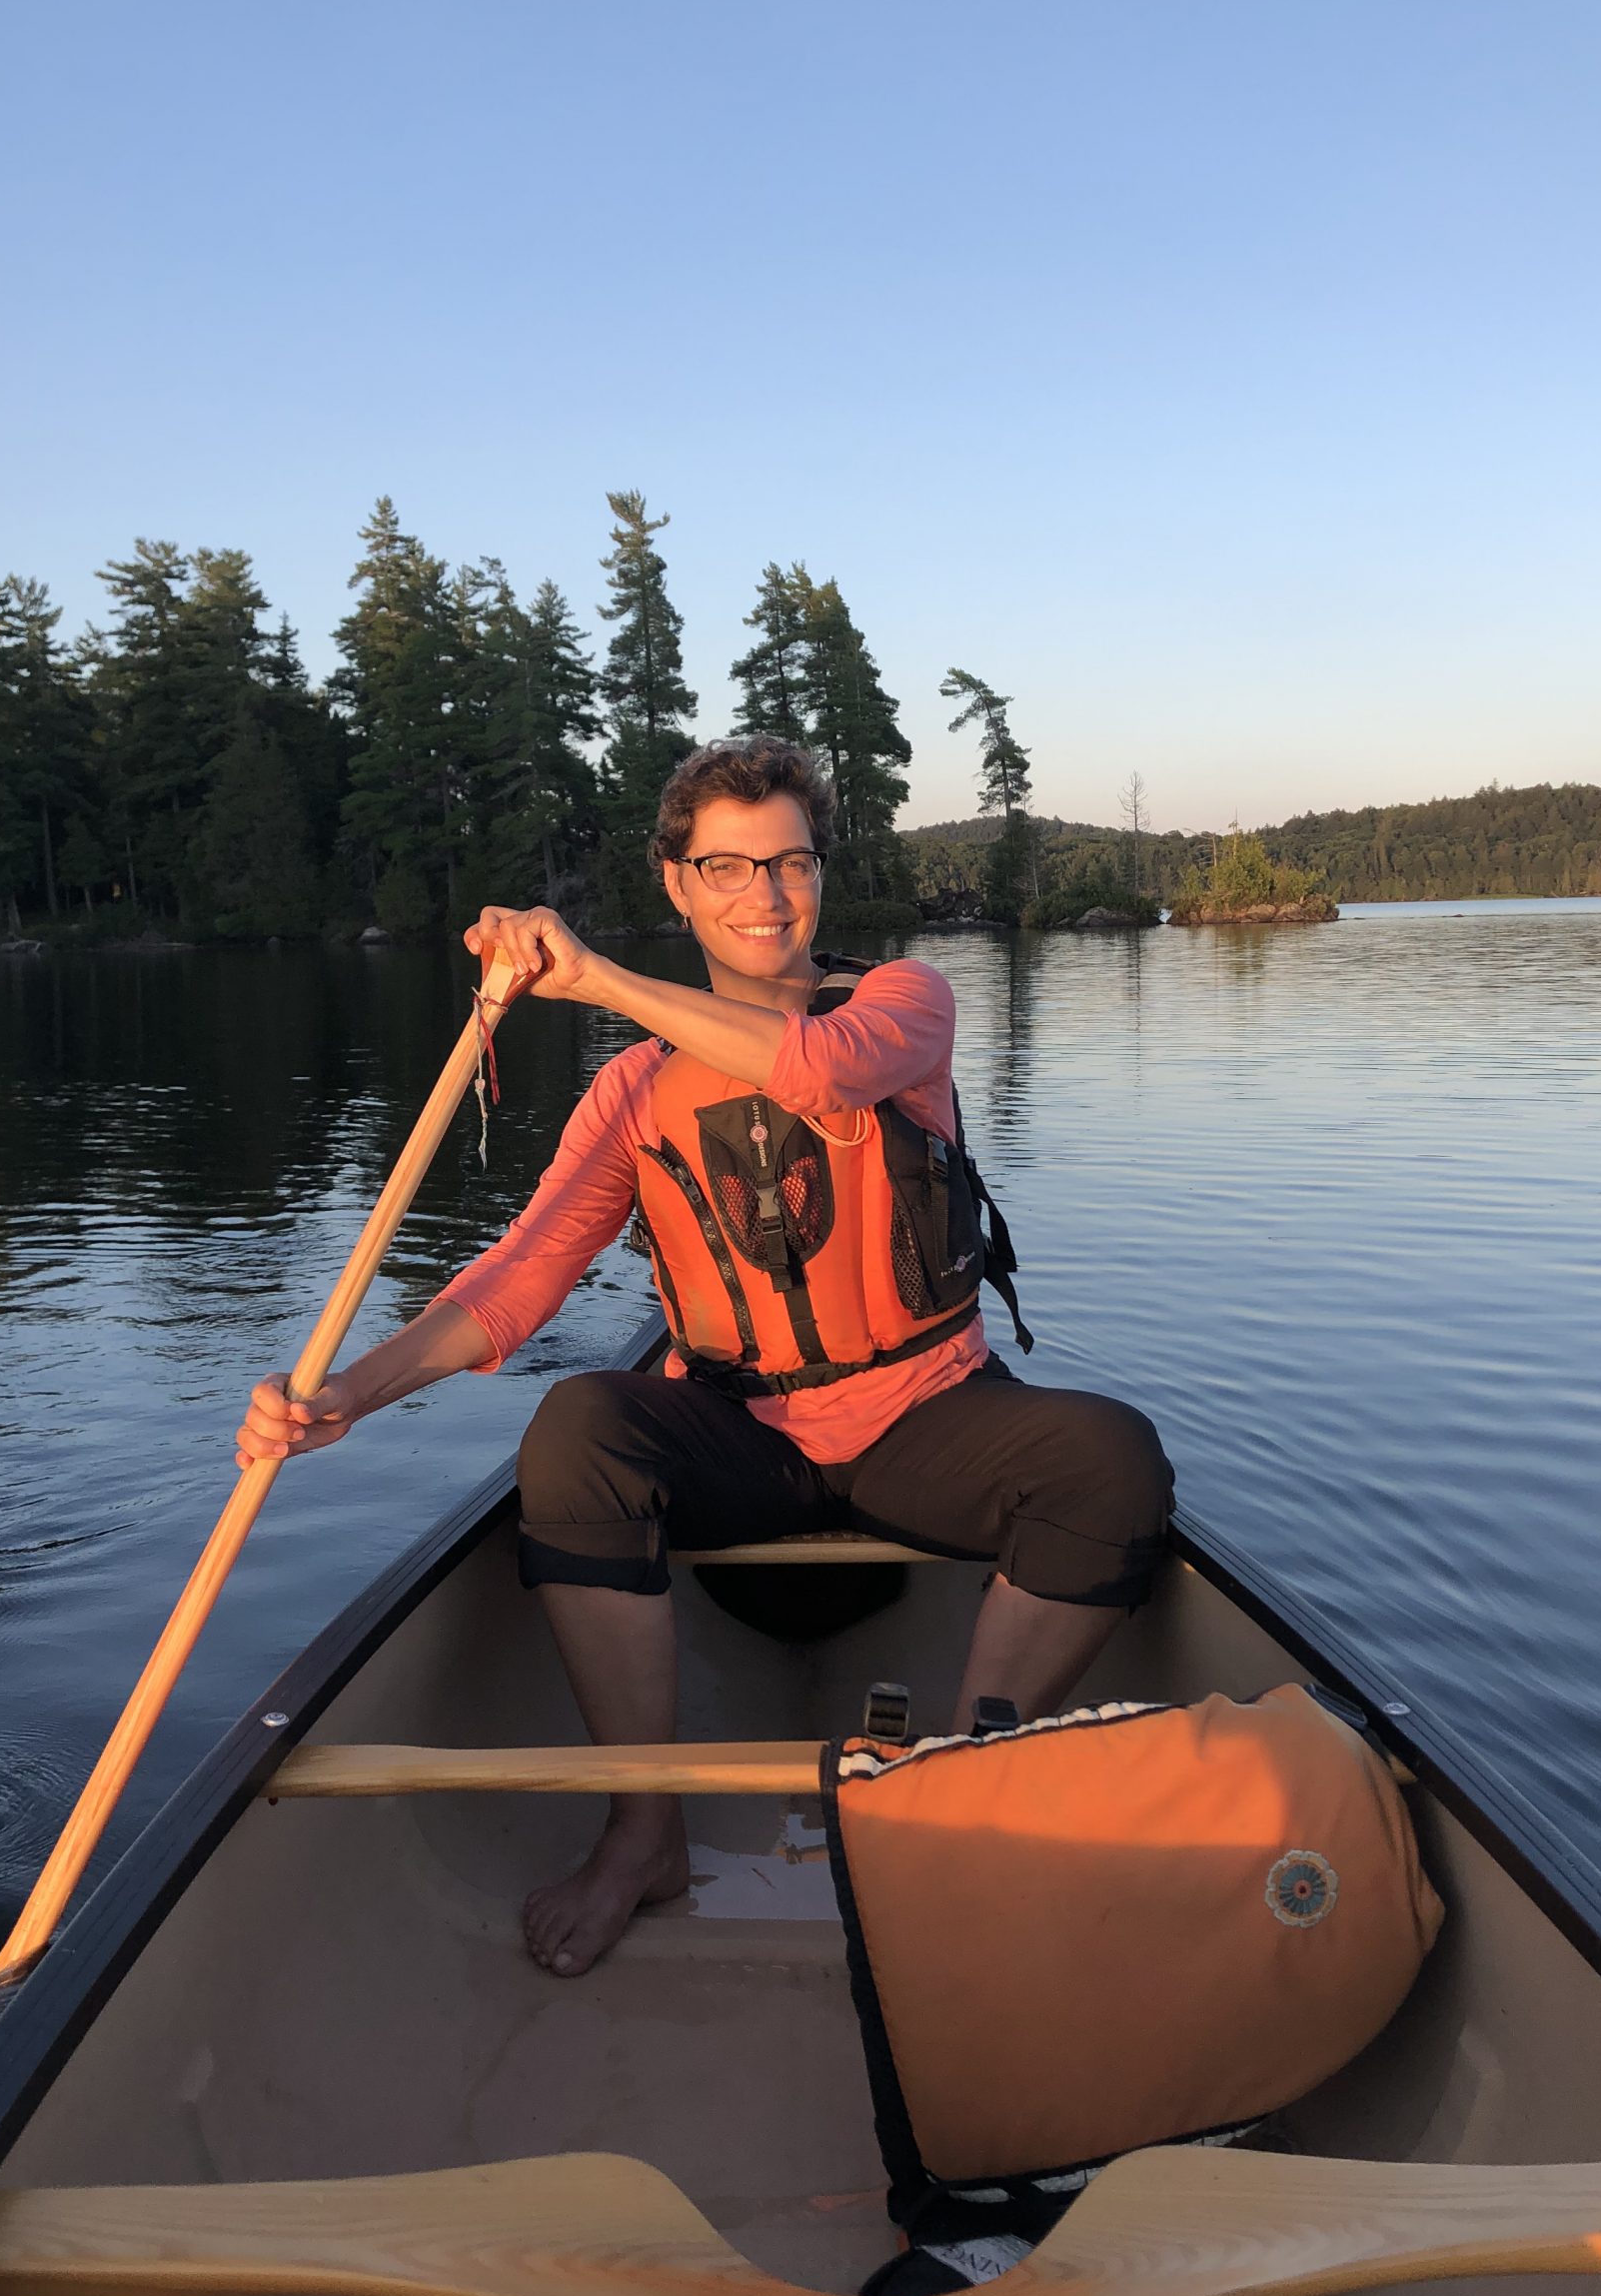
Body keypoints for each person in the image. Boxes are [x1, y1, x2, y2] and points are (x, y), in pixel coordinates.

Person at [235, 735, 1174, 1976]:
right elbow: (520, 1278)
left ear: (821, 874)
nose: (765, 893)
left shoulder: (902, 1004)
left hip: (923, 1420)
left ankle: (957, 1794)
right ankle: (645, 1831)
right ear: (677, 882)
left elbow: (820, 1073)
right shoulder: (630, 1090)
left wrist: (600, 975)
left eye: (790, 861)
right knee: (576, 1427)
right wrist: (345, 1393)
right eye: (726, 866)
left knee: (1112, 1459)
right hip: (741, 1439)